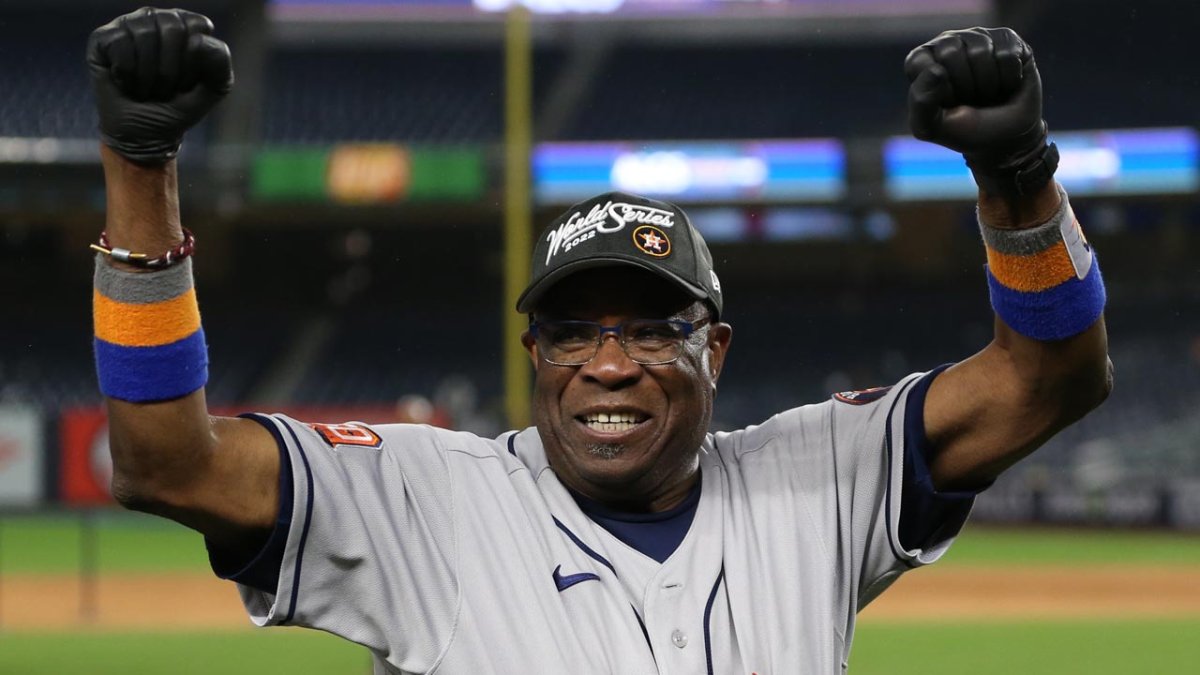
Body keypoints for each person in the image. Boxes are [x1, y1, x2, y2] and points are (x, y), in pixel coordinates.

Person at [87, 8, 1111, 674]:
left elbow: (1050, 378)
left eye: (654, 328)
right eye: (572, 332)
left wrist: (1018, 178)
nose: (607, 363)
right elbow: (165, 461)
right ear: (535, 355)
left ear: (715, 351)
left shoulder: (826, 477)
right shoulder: (420, 500)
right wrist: (141, 171)